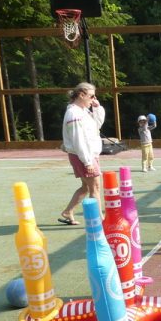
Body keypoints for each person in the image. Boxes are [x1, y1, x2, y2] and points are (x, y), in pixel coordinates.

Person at [59, 82, 105, 225]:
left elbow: (97, 124)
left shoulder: (83, 111)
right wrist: (87, 162)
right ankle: (99, 220)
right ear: (81, 95)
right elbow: (78, 140)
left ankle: (67, 212)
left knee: (87, 187)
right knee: (95, 187)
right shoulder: (74, 113)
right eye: (91, 96)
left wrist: (97, 108)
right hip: (83, 156)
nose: (93, 99)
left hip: (88, 154)